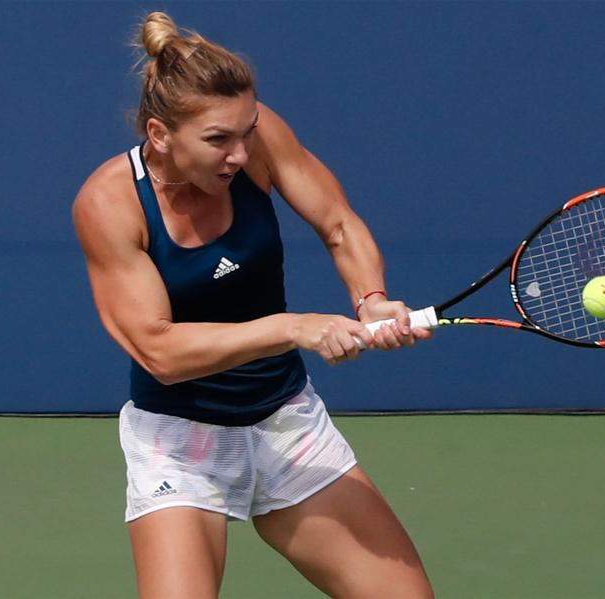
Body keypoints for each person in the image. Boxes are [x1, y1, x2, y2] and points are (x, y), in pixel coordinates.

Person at [72, 11, 434, 599]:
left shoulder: (258, 141)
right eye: (218, 139)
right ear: (160, 134)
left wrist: (370, 299)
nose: (240, 153)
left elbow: (338, 223)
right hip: (179, 440)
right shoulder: (110, 203)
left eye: (247, 129)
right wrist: (293, 327)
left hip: (285, 422)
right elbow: (159, 351)